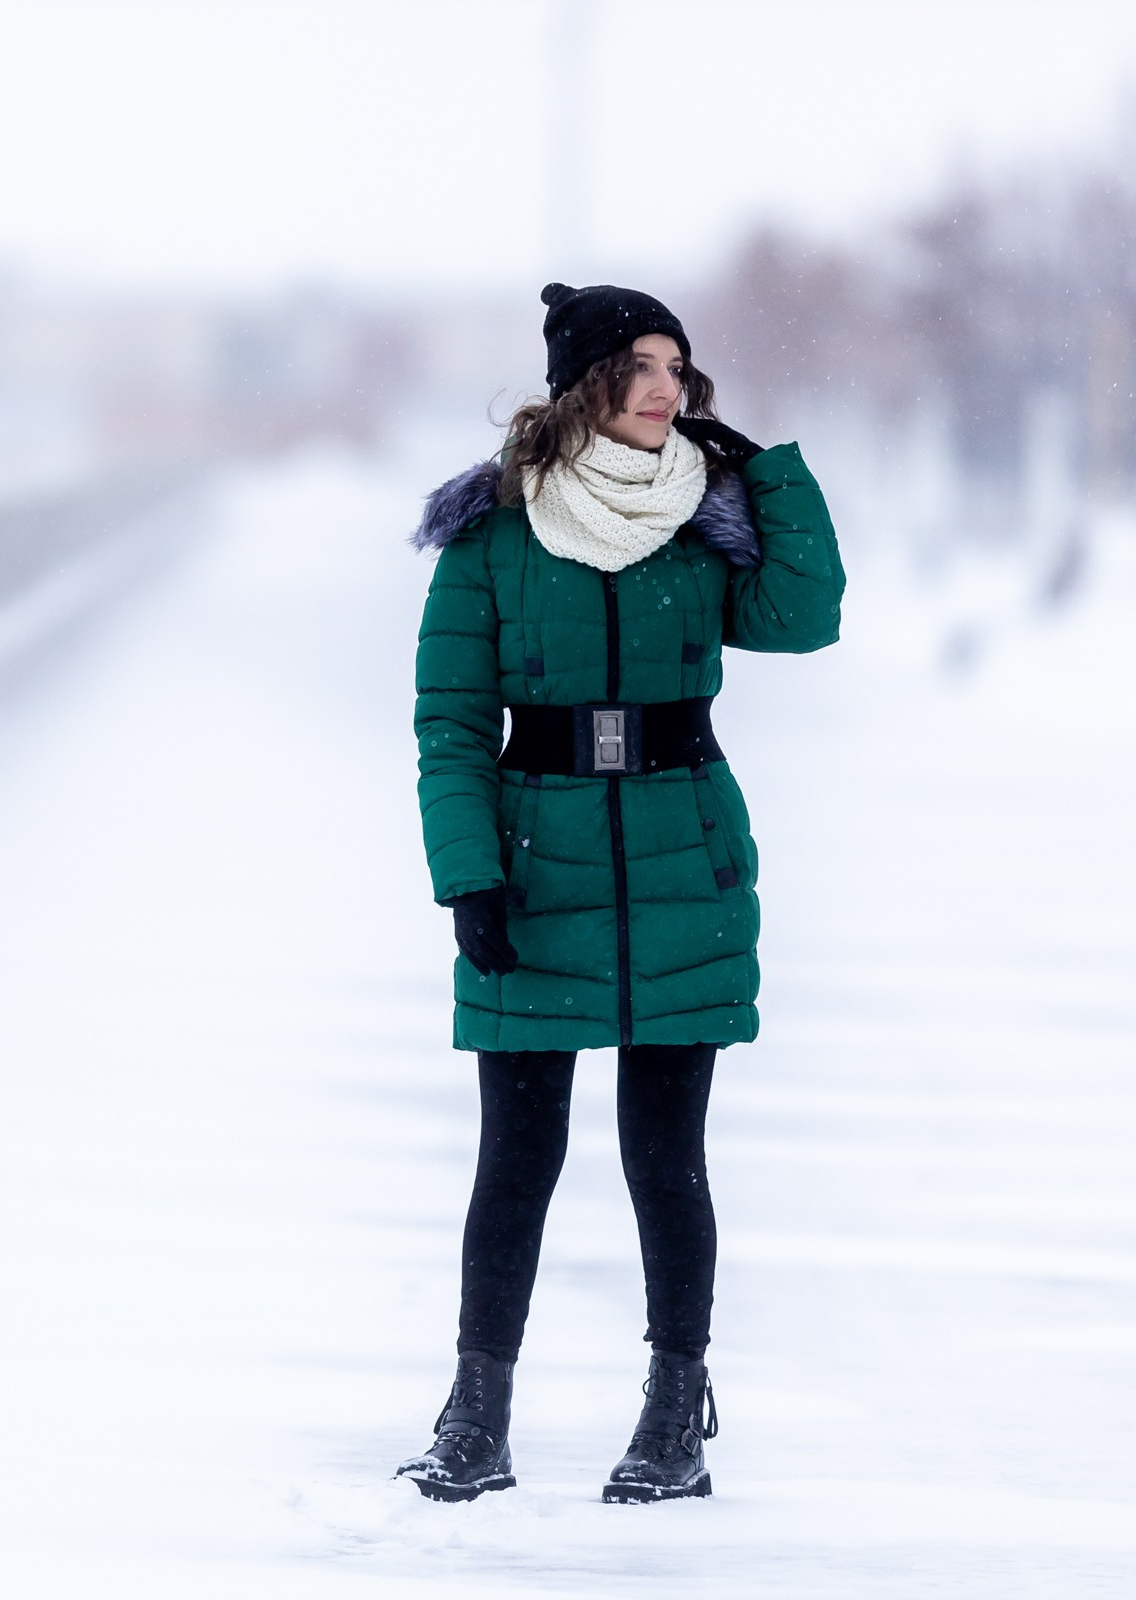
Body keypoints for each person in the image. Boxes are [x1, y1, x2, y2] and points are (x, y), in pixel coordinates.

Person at [395, 283, 845, 1504]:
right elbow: (448, 723)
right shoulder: (492, 532)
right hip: (536, 861)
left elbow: (807, 618)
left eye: (678, 368)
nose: (667, 389)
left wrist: (769, 474)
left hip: (679, 857)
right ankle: (475, 1417)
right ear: (584, 383)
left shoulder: (709, 522)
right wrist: (468, 874)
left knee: (666, 1156)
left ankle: (672, 1421)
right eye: (641, 366)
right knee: (518, 1156)